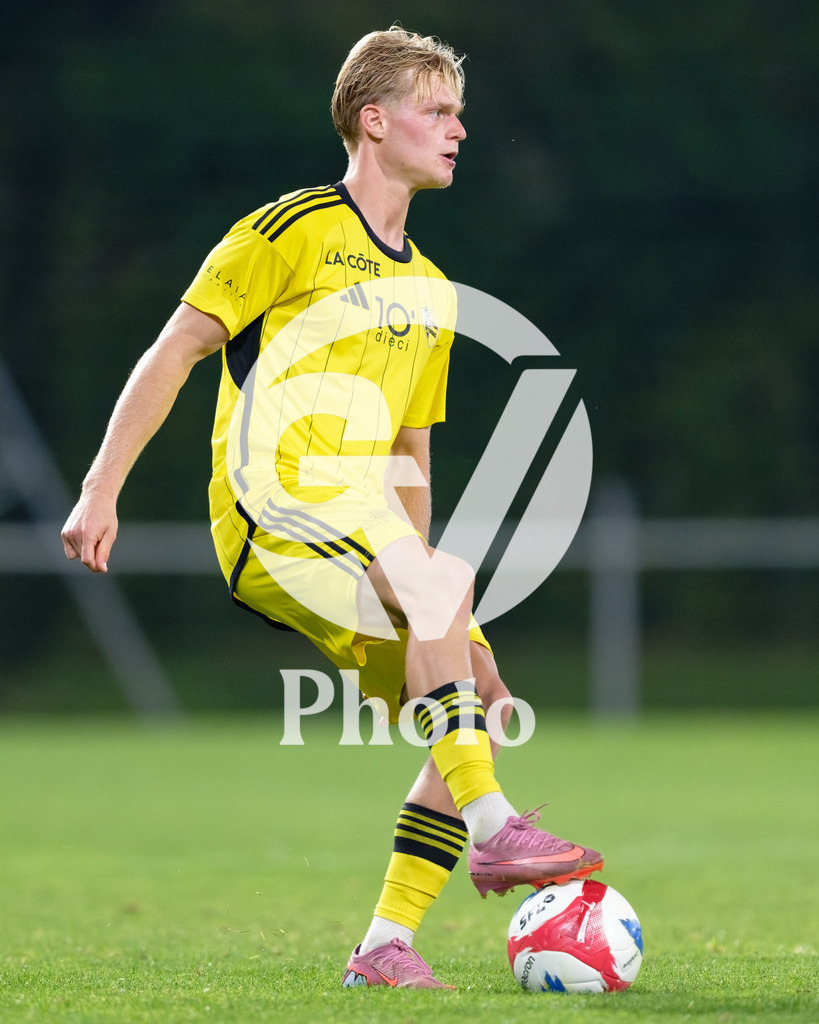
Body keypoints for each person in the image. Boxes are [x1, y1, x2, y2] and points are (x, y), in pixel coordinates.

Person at [61, 26, 603, 989]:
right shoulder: (291, 229)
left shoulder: (432, 289)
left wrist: (432, 605)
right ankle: (493, 831)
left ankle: (382, 946)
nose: (459, 131)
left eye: (460, 114)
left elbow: (409, 453)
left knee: (475, 702)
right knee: (451, 636)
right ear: (373, 120)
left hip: (368, 529)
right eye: (438, 112)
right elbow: (175, 349)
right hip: (272, 505)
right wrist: (102, 489)